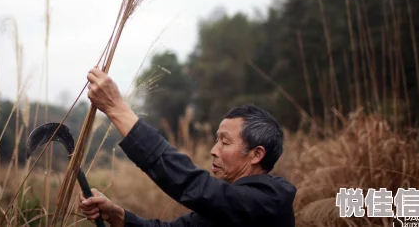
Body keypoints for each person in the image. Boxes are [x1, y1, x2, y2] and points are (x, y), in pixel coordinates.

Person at [79, 67, 297, 227]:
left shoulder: (271, 202)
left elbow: (196, 187)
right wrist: (117, 216)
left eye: (225, 142)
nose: (213, 150)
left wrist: (117, 109)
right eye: (216, 140)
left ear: (256, 154)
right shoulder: (219, 211)